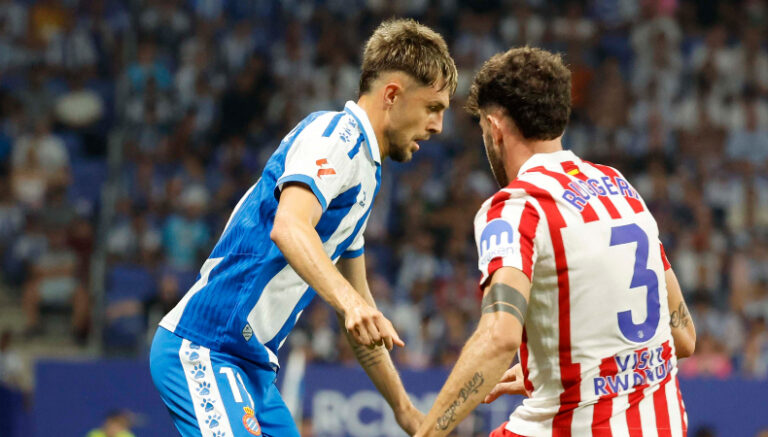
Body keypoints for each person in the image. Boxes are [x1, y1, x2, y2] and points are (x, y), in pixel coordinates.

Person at [150, 18, 456, 437]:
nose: (438, 126)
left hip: (253, 370)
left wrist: (405, 411)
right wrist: (349, 303)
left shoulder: (365, 174)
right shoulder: (335, 136)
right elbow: (290, 226)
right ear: (392, 95)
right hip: (205, 346)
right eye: (433, 108)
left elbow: (360, 314)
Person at [414, 47, 696, 437]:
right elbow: (683, 337)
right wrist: (555, 370)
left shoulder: (518, 206)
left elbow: (499, 337)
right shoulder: (620, 189)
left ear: (495, 128)